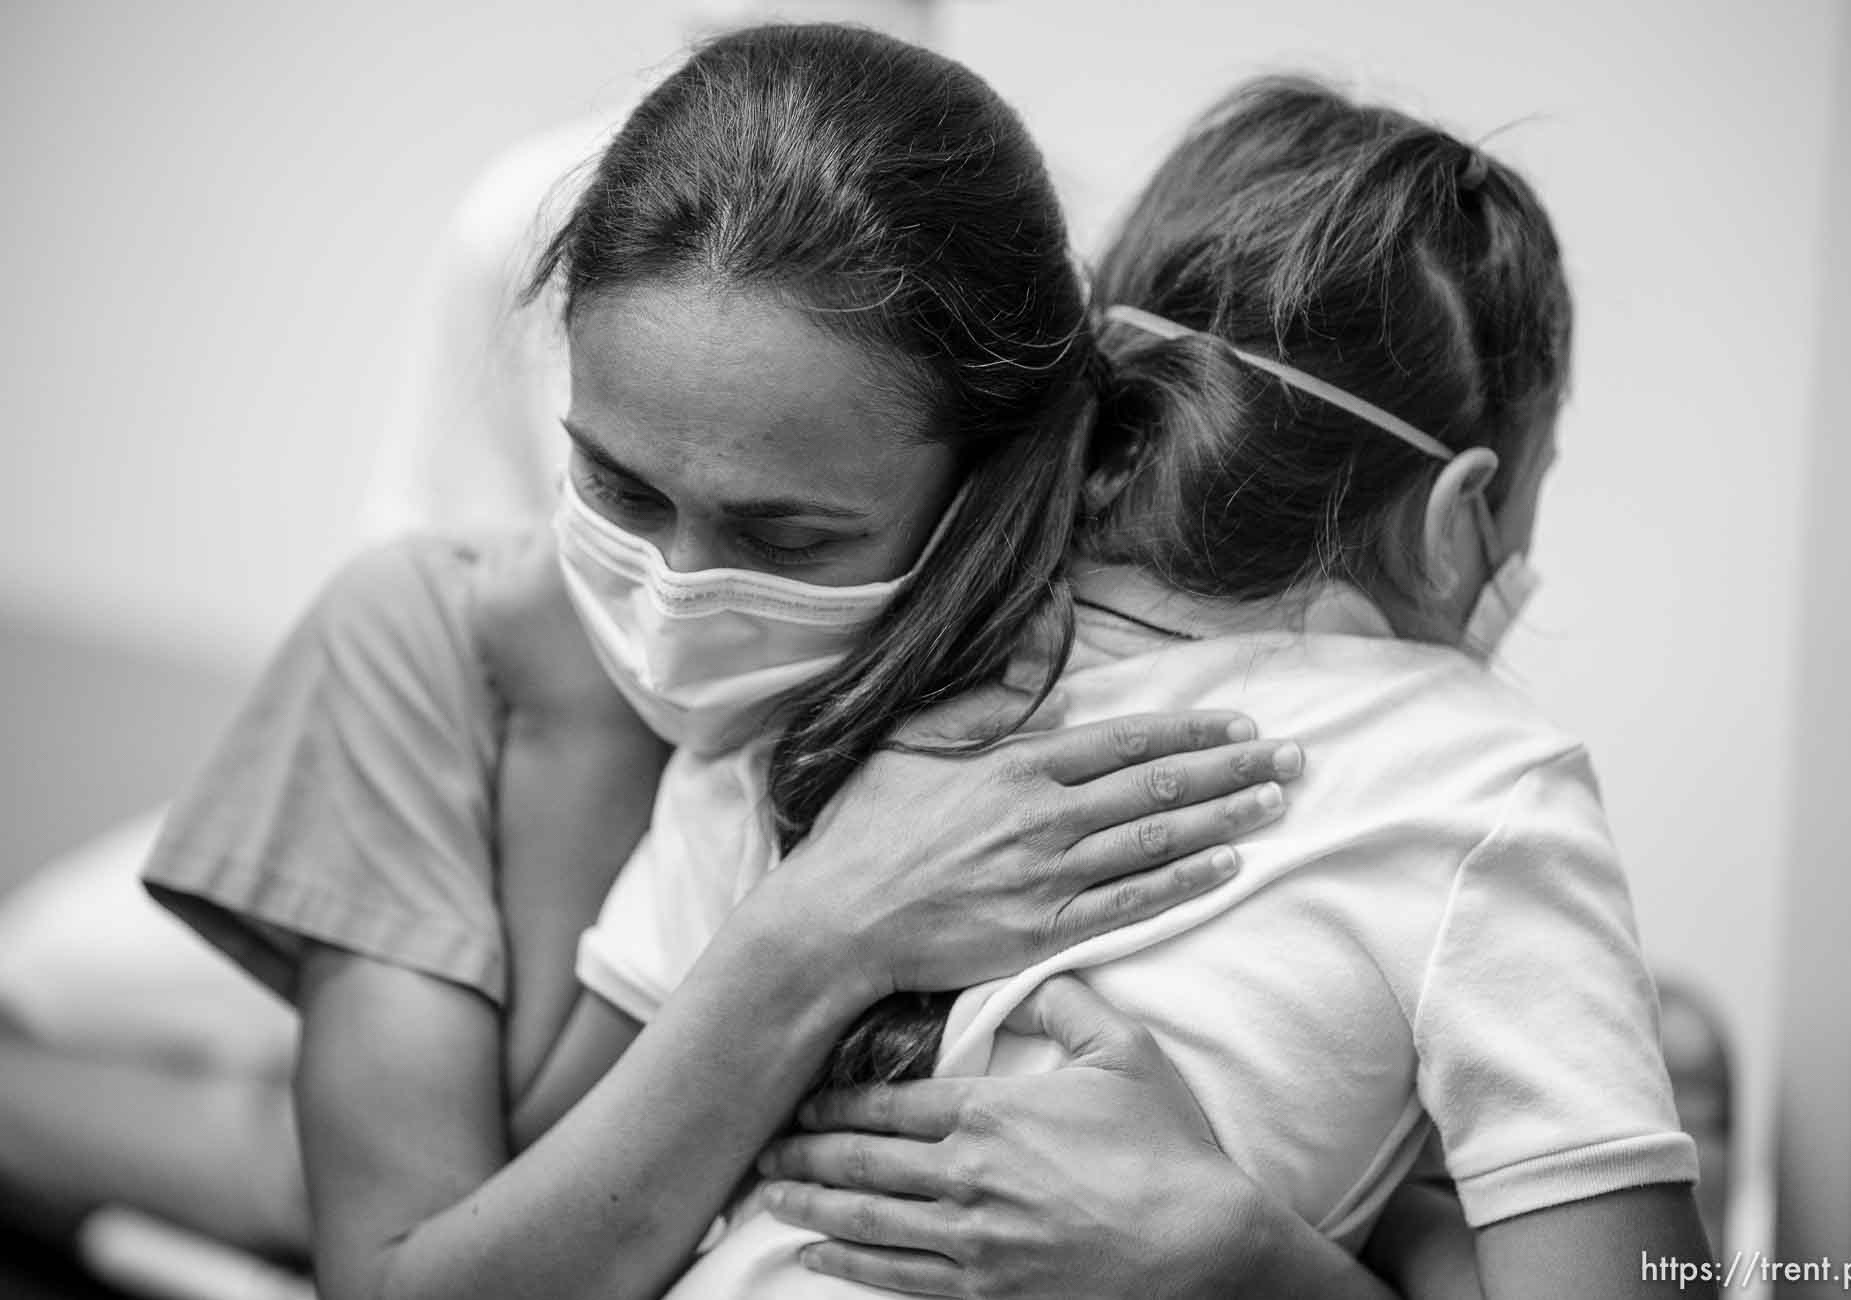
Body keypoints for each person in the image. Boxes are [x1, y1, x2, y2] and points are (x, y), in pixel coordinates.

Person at [143, 25, 1362, 1300]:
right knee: (257, 1137)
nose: (674, 584)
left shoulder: (1136, 698)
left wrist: (1251, 1254)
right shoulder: (423, 639)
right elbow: (402, 1269)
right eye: (615, 484)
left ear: (988, 483)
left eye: (788, 534)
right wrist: (823, 927)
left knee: (284, 1149)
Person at [550, 76, 1715, 1298]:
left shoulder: (856, 671)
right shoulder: (1483, 779)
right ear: (1456, 515)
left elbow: (547, 1200)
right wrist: (1255, 1264)